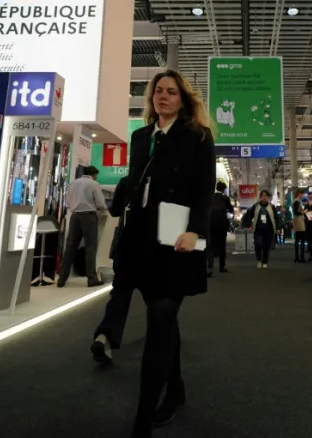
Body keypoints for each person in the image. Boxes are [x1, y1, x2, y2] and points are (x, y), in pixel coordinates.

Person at [111, 70, 215, 437]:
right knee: (165, 322)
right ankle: (177, 389)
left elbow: (204, 190)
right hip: (141, 242)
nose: (162, 96)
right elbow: (136, 186)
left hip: (177, 241)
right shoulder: (141, 137)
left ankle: (143, 417)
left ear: (183, 99)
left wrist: (196, 231)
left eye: (171, 91)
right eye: (158, 91)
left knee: (160, 319)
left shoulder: (198, 137)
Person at [91, 175, 134, 366]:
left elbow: (115, 211)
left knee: (120, 295)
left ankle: (104, 336)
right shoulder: (165, 177)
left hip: (127, 245)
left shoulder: (127, 181)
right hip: (154, 250)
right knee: (160, 302)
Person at [58, 165, 107, 288]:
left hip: (75, 217)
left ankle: (62, 278)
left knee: (70, 247)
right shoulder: (94, 184)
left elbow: (68, 203)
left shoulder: (73, 183)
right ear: (94, 175)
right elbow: (101, 204)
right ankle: (92, 279)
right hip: (89, 217)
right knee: (90, 247)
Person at [241, 190, 278, 269]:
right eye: (263, 195)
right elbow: (249, 215)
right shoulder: (256, 206)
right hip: (258, 229)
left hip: (268, 229)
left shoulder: (272, 207)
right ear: (260, 197)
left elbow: (276, 218)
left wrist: (278, 228)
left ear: (268, 197)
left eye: (266, 195)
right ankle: (259, 260)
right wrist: (248, 225)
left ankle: (264, 262)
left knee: (266, 247)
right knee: (257, 244)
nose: (264, 197)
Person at [207, 181, 234, 276]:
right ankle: (222, 267)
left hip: (211, 223)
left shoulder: (211, 196)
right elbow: (231, 210)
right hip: (222, 224)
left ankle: (209, 267)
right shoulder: (225, 198)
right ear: (224, 189)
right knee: (222, 245)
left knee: (210, 245)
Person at [291, 190, 307, 263]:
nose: (303, 196)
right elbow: (296, 212)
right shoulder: (296, 202)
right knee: (301, 240)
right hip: (299, 222)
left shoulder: (296, 201)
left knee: (298, 240)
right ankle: (300, 257)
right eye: (302, 194)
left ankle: (297, 257)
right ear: (299, 194)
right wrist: (303, 212)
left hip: (297, 221)